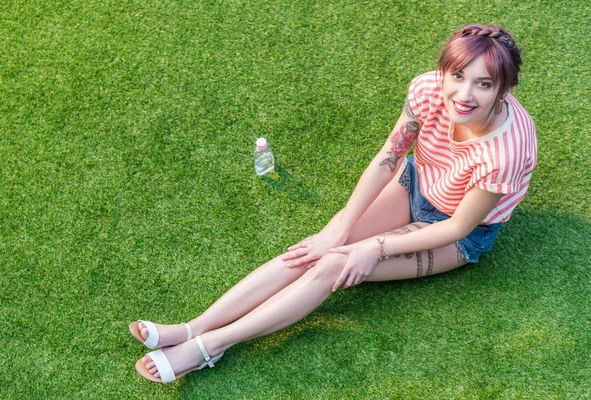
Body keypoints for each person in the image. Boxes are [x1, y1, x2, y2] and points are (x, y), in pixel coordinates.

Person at [130, 23, 537, 383]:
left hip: (457, 229)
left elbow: (457, 227)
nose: (463, 94)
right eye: (458, 75)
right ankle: (190, 328)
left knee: (334, 264)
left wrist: (370, 247)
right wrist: (339, 229)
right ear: (444, 71)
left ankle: (209, 347)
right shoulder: (429, 89)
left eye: (483, 84)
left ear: (504, 88)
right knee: (316, 248)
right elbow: (388, 160)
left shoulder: (505, 152)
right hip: (416, 182)